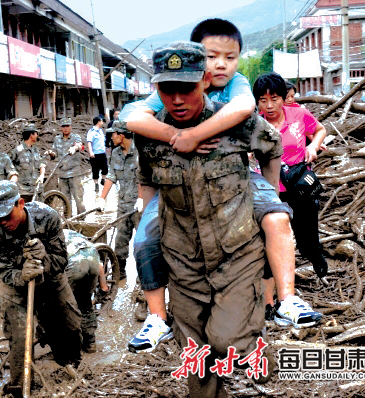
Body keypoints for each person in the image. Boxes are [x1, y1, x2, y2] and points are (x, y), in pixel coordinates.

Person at [125, 19, 321, 355]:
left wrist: (269, 192)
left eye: (229, 58)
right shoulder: (163, 105)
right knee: (144, 237)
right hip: (179, 195)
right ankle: (157, 317)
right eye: (211, 56)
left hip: (235, 182)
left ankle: (287, 299)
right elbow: (140, 146)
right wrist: (174, 136)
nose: (220, 65)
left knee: (275, 219)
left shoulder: (238, 95)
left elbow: (264, 136)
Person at [134, 41, 284, 395]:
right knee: (197, 357)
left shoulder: (236, 123)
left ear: (203, 80)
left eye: (186, 87)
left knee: (225, 338)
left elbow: (272, 147)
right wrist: (146, 227)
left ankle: (255, 347)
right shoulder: (151, 135)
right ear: (156, 88)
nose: (178, 99)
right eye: (167, 90)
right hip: (183, 260)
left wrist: (269, 196)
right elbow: (147, 179)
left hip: (237, 255)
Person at [0, 180, 82, 396]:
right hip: (15, 288)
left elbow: (61, 260)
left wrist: (43, 260)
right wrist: (22, 275)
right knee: (20, 337)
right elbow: (4, 273)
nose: (2, 222)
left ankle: (69, 365)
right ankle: (20, 387)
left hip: (51, 280)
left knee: (71, 325)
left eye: (6, 216)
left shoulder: (47, 217)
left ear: (20, 204)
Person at [253, 72, 328, 282]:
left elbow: (320, 129)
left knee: (306, 238)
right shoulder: (255, 124)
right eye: (263, 100)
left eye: (274, 99)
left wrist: (313, 145)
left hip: (300, 185)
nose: (269, 105)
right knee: (270, 236)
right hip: (270, 190)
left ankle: (315, 255)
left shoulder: (298, 114)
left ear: (283, 98)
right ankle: (271, 289)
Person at [98, 121, 141, 280]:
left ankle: (143, 276)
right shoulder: (115, 153)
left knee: (142, 243)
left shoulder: (139, 152)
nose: (111, 137)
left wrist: (142, 200)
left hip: (139, 207)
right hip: (123, 205)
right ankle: (119, 273)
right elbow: (111, 176)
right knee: (120, 240)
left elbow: (145, 179)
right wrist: (101, 198)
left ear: (121, 135)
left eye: (113, 134)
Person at [64, 229, 100, 353]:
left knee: (62, 305)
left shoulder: (49, 236)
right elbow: (100, 267)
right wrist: (105, 288)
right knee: (85, 302)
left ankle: (69, 346)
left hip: (75, 264)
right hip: (93, 258)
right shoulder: (73, 234)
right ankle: (90, 342)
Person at [52, 118, 85, 215]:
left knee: (79, 200)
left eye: (67, 126)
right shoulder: (57, 139)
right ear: (60, 128)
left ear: (71, 127)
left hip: (75, 173)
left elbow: (80, 145)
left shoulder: (75, 137)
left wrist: (75, 148)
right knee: (65, 200)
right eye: (63, 126)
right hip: (62, 174)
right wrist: (51, 153)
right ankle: (68, 220)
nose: (65, 128)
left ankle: (82, 220)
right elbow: (54, 153)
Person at [9, 123, 47, 203]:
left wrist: (42, 175)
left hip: (37, 189)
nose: (37, 135)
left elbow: (41, 163)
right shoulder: (17, 151)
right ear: (31, 135)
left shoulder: (35, 150)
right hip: (23, 192)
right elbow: (7, 166)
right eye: (36, 133)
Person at [86, 116, 108, 193]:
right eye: (101, 121)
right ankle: (96, 184)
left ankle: (103, 179)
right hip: (95, 154)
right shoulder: (91, 132)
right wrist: (90, 152)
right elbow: (89, 142)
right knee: (95, 170)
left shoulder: (101, 131)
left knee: (105, 168)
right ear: (98, 122)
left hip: (102, 153)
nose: (102, 122)